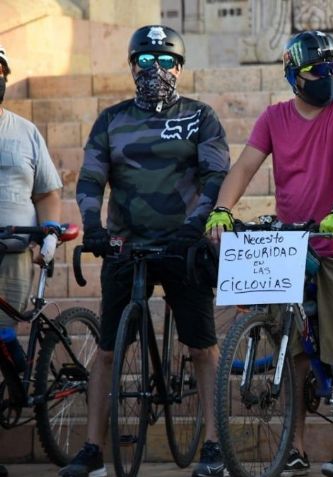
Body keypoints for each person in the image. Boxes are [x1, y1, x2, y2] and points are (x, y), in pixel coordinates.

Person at [61, 25, 230, 477]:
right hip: (124, 245)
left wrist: (194, 227)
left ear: (179, 67)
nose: (155, 70)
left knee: (202, 348)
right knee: (108, 350)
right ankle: (93, 448)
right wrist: (93, 227)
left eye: (165, 61)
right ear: (132, 66)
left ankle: (213, 444)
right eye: (146, 61)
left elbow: (216, 180)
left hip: (182, 246)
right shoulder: (111, 120)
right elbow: (92, 178)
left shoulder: (201, 116)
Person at [204, 30, 333, 477]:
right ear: (294, 76)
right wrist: (222, 209)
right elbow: (244, 165)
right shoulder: (274, 117)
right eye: (318, 70)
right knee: (290, 346)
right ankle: (294, 446)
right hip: (289, 242)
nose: (328, 76)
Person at [0, 44, 63, 477]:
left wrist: (51, 233)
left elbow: (48, 191)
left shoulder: (24, 132)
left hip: (14, 254)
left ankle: (21, 380)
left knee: (4, 333)